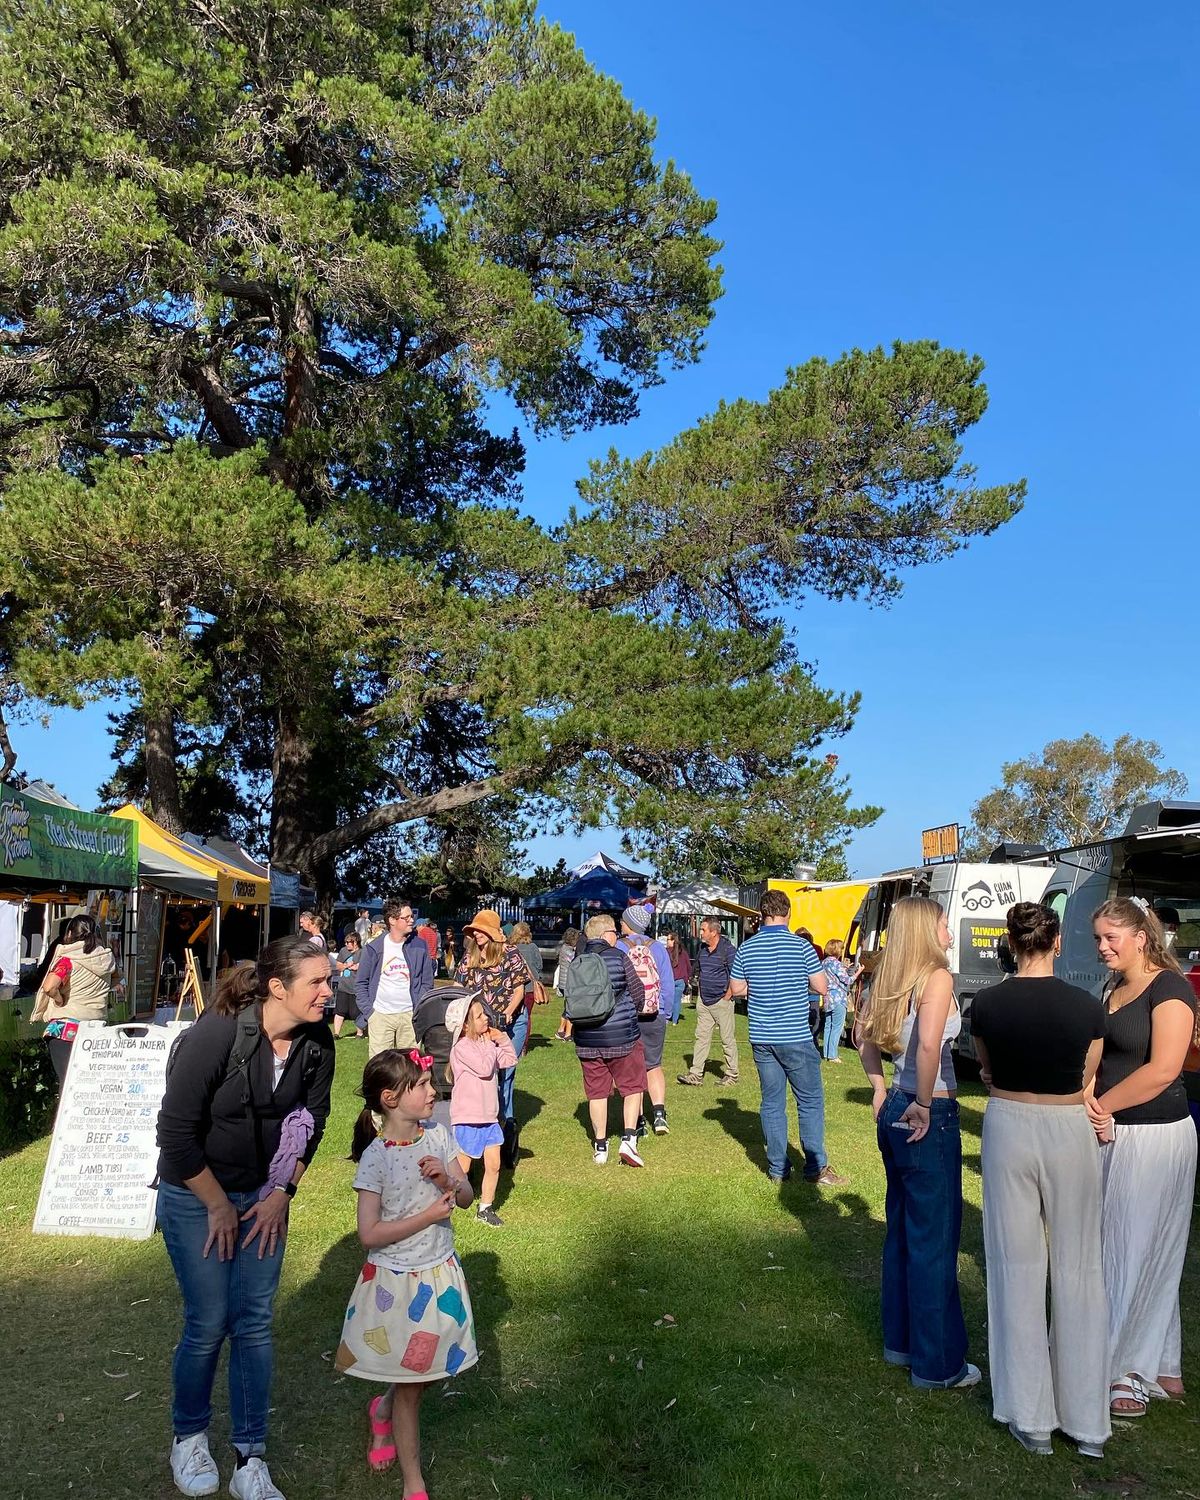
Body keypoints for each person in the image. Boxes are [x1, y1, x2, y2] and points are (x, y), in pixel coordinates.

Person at [156, 937, 335, 1500]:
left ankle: (250, 1456)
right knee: (209, 1321)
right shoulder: (216, 1035)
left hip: (264, 1197)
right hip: (195, 1195)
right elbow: (175, 1138)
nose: (330, 992)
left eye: (329, 980)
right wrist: (215, 1205)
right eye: (318, 982)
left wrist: (283, 1189)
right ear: (277, 987)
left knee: (254, 1323)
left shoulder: (317, 1042)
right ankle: (188, 1439)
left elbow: (315, 1119)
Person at [972, 902, 1109, 1458]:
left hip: (1008, 1124)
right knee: (1078, 1267)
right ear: (1055, 944)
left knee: (1015, 1267)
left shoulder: (986, 1003)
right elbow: (1087, 1075)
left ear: (1011, 943)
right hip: (1067, 1125)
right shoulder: (1085, 1006)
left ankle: (1030, 1418)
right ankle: (1087, 1424)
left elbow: (985, 1067)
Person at [334, 1050, 476, 1493]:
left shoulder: (438, 1137)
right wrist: (429, 1215)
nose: (434, 1092)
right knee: (411, 1385)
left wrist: (448, 1182)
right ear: (391, 1098)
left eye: (432, 1083)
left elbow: (467, 1197)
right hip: (395, 1283)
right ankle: (413, 1482)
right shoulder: (375, 1158)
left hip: (439, 1274)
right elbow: (369, 1234)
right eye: (423, 1086)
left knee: (427, 1372)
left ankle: (383, 1409)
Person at [856, 895, 977, 1390]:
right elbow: (929, 1044)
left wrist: (881, 1086)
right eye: (945, 921)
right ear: (927, 928)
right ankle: (938, 1364)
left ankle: (901, 1343)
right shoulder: (936, 976)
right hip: (931, 1109)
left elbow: (863, 1034)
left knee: (903, 1230)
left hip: (897, 1104)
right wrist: (924, 1102)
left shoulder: (888, 974)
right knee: (934, 1238)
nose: (951, 928)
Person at [1086, 897, 1198, 1419]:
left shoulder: (1170, 988)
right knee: (1126, 1245)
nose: (1103, 948)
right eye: (1097, 939)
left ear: (1141, 937)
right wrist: (1086, 1094)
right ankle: (1160, 1360)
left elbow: (1165, 1069)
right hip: (1114, 1132)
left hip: (1154, 1137)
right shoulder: (1113, 988)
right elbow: (1103, 1055)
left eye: (1111, 938)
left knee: (1136, 1248)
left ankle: (1123, 1368)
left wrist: (1101, 1106)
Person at [729, 890, 843, 1187]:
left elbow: (738, 989)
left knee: (772, 1103)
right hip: (795, 1035)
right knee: (809, 1102)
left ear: (762, 914)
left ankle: (778, 1169)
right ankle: (816, 1168)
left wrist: (762, 988)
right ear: (788, 913)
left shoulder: (747, 948)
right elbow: (820, 986)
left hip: (762, 1036)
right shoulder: (802, 948)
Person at [570, 913, 648, 1167]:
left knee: (596, 1092)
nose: (618, 936)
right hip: (622, 1035)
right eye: (615, 932)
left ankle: (600, 1146)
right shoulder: (618, 957)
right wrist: (631, 1012)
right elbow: (637, 992)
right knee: (632, 1087)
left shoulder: (577, 961)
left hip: (587, 1038)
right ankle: (628, 1139)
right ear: (605, 935)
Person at [454, 910, 527, 1164]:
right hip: (478, 1023)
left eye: (481, 930)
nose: (475, 934)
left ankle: (504, 1128)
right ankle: (481, 1126)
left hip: (510, 1021)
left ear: (492, 933)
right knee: (483, 1075)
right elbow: (459, 987)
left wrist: (506, 1014)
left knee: (504, 1074)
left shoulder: (510, 953)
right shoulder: (471, 955)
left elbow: (519, 989)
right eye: (474, 930)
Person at [449, 996, 517, 1228]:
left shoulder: (486, 1044)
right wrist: (490, 1044)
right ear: (466, 1025)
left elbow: (509, 1059)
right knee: (462, 1170)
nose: (486, 1018)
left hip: (489, 1118)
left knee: (494, 1165)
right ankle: (444, 1202)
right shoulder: (461, 1047)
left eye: (484, 1014)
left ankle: (485, 1208)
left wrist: (503, 1039)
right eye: (479, 1016)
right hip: (468, 1117)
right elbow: (484, 1067)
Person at [37, 912, 116, 1086]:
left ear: (70, 934)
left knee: (68, 1085)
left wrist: (59, 1000)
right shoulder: (107, 959)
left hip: (66, 1031)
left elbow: (49, 987)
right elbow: (119, 982)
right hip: (96, 1029)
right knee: (89, 1083)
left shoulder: (68, 960)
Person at [617, 904, 674, 1136]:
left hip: (629, 1014)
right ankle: (659, 1115)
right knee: (654, 1064)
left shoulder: (620, 946)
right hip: (655, 1013)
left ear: (629, 923)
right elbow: (668, 984)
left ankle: (638, 1119)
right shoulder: (658, 948)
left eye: (623, 921)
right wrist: (665, 1012)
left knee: (633, 1068)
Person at [356, 898, 435, 1059]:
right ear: (392, 920)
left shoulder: (420, 945)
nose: (411, 920)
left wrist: (418, 1006)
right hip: (380, 1016)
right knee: (381, 1069)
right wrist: (370, 1012)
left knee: (411, 1068)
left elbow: (427, 982)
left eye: (411, 916)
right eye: (406, 918)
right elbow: (361, 983)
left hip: (410, 1016)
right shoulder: (374, 947)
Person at [677, 917, 739, 1087]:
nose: (701, 933)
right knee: (701, 1038)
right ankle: (696, 1074)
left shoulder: (728, 950)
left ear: (714, 932)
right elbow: (698, 969)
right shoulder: (703, 949)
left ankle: (732, 1074)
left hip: (722, 1001)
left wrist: (728, 996)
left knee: (727, 1039)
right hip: (704, 1001)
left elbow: (736, 975)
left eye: (703, 929)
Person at [819, 939, 860, 1064]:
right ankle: (833, 1055)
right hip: (838, 998)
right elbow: (847, 980)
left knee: (828, 1026)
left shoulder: (824, 962)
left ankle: (826, 1053)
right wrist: (858, 972)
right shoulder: (836, 964)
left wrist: (844, 967)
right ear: (837, 950)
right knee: (837, 1027)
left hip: (828, 998)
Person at [509, 921, 544, 1056]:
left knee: (512, 1015)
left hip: (513, 987)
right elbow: (539, 965)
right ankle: (523, 1046)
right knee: (526, 1016)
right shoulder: (533, 947)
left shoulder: (510, 948)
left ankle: (512, 1042)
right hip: (529, 988)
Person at [331, 932, 365, 1039]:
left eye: (349, 942)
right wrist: (346, 965)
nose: (346, 944)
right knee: (339, 1011)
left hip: (356, 987)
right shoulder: (343, 951)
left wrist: (358, 966)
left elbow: (366, 966)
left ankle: (359, 1033)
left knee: (357, 1012)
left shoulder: (363, 952)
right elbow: (338, 966)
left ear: (356, 942)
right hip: (344, 986)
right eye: (345, 942)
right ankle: (336, 1033)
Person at [553, 927, 581, 1041]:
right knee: (571, 1009)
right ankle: (568, 1034)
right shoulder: (569, 951)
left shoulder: (563, 948)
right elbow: (575, 962)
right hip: (569, 982)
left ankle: (560, 1030)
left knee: (567, 1007)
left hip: (564, 982)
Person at [664, 930, 692, 1018]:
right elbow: (689, 967)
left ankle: (667, 1017)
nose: (666, 941)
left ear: (673, 940)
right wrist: (687, 979)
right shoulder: (683, 953)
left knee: (667, 1000)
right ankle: (675, 1021)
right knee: (677, 1001)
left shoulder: (666, 952)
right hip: (681, 981)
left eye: (668, 939)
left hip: (669, 980)